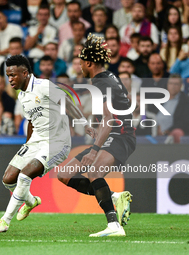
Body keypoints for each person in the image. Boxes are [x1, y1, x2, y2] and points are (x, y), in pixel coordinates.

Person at [0, 54, 91, 233]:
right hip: (36, 141)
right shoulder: (22, 96)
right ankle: (31, 201)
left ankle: (4, 221)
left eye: (13, 75)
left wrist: (84, 123)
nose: (9, 79)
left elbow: (66, 101)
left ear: (25, 73)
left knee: (25, 175)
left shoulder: (43, 86)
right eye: (8, 75)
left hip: (57, 142)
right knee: (8, 179)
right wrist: (27, 146)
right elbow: (31, 121)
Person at [57, 34, 135, 237]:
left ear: (89, 62)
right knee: (64, 174)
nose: (79, 66)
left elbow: (110, 118)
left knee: (94, 172)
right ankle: (115, 197)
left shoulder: (101, 82)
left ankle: (114, 226)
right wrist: (97, 129)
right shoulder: (109, 77)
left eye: (81, 62)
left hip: (121, 135)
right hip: (115, 132)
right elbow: (116, 111)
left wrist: (95, 149)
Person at [156, 74, 189, 143]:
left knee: (178, 132)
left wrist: (167, 131)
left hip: (171, 132)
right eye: (171, 83)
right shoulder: (160, 97)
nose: (173, 86)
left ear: (181, 85)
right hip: (154, 130)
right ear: (167, 84)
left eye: (176, 84)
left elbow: (184, 121)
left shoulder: (185, 100)